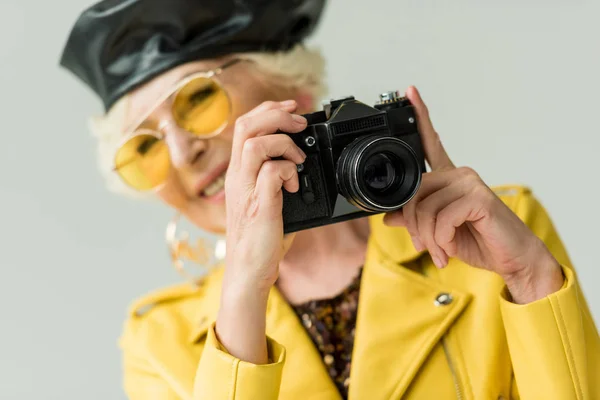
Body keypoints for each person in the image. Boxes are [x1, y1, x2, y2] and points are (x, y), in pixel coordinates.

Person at [60, 1, 599, 399]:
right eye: (145, 149)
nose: (181, 155)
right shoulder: (158, 340)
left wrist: (531, 281)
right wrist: (244, 290)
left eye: (198, 99)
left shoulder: (492, 237)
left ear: (292, 92)